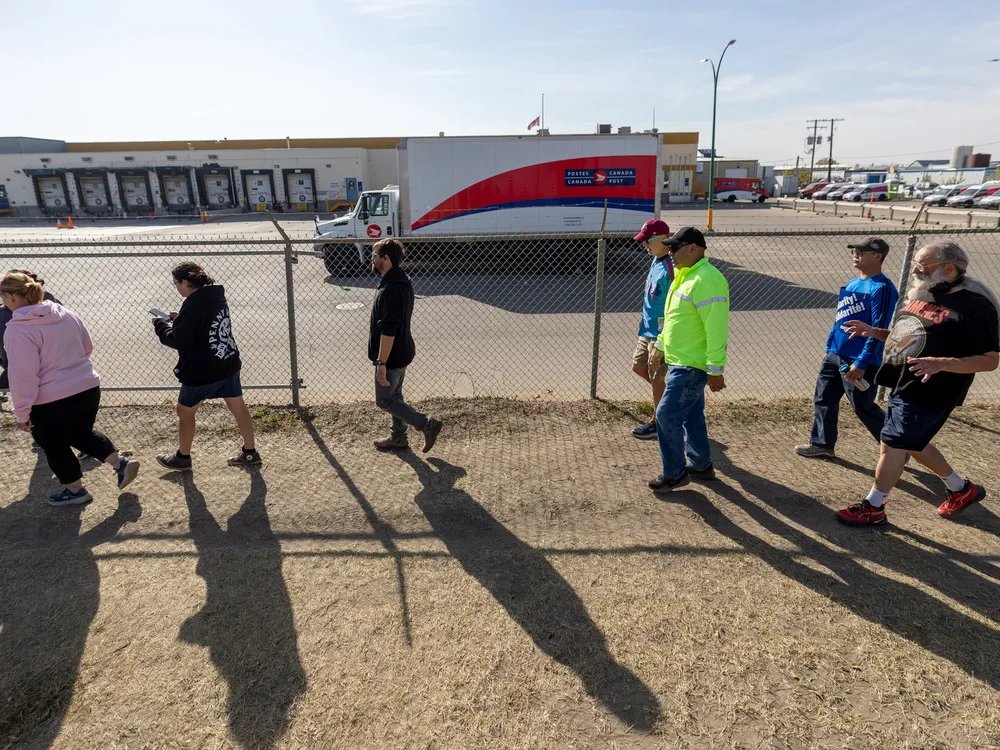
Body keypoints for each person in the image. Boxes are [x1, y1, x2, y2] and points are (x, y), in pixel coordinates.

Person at [837, 240, 999, 525]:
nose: (915, 270)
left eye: (923, 265)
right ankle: (960, 488)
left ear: (949, 268)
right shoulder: (925, 293)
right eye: (915, 264)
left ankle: (874, 507)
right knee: (912, 442)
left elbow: (990, 360)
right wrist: (874, 332)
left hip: (934, 389)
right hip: (903, 382)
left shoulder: (975, 306)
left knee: (892, 444)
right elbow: (909, 335)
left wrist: (941, 364)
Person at [1, 271, 139, 506]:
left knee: (54, 444)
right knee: (79, 433)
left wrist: (22, 412)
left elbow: (23, 375)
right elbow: (87, 347)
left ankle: (75, 490)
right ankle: (120, 464)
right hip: (87, 387)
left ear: (11, 297)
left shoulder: (18, 329)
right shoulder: (65, 313)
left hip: (50, 399)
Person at [795, 237, 898, 459]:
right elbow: (839, 320)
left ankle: (896, 449)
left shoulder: (882, 288)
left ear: (878, 256)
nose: (855, 255)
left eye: (861, 251)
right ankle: (822, 444)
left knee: (863, 406)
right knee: (824, 399)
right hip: (835, 355)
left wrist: (862, 362)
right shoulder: (852, 283)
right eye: (854, 251)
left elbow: (878, 329)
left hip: (859, 360)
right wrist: (830, 348)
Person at [152, 262, 261, 471]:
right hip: (226, 360)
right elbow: (203, 325)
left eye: (176, 283)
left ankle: (183, 457)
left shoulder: (193, 304)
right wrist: (180, 321)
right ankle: (250, 452)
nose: (176, 287)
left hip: (203, 370)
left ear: (185, 282)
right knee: (237, 405)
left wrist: (161, 326)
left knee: (185, 411)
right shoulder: (215, 296)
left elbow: (178, 340)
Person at [647, 227, 730, 492]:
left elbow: (716, 328)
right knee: (692, 416)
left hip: (692, 366)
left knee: (666, 415)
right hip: (679, 361)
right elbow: (674, 318)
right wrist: (660, 345)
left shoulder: (707, 279)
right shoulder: (685, 275)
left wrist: (715, 370)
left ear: (693, 248)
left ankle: (675, 473)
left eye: (675, 248)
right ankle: (701, 465)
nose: (670, 252)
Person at [368, 238, 442, 452]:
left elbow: (389, 329)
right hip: (402, 350)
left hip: (392, 356)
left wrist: (381, 363)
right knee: (395, 396)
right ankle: (398, 437)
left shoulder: (391, 288)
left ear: (386, 258)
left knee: (385, 401)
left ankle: (426, 424)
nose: (372, 259)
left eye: (375, 255)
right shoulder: (400, 280)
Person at [629, 219, 675, 439]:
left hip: (660, 334)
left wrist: (663, 338)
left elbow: (675, 305)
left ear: (663, 238)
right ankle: (671, 403)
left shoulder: (672, 267)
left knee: (657, 377)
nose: (644, 245)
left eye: (648, 240)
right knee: (638, 367)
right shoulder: (656, 260)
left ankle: (660, 422)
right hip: (646, 330)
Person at [1, 269, 61, 396]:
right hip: (63, 373)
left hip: (24, 373)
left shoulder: (10, 322)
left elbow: (24, 372)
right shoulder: (56, 307)